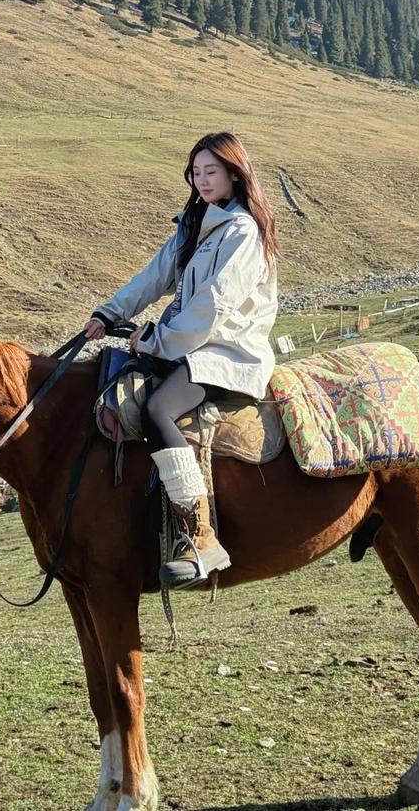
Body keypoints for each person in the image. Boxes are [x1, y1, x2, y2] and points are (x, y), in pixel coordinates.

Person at [85, 130, 278, 587]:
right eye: (196, 172)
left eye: (212, 171)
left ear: (235, 174)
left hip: (227, 352)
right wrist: (109, 312)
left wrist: (157, 340)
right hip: (192, 347)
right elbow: (153, 277)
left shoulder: (242, 232)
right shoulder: (196, 226)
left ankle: (200, 537)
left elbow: (214, 306)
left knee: (157, 409)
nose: (203, 180)